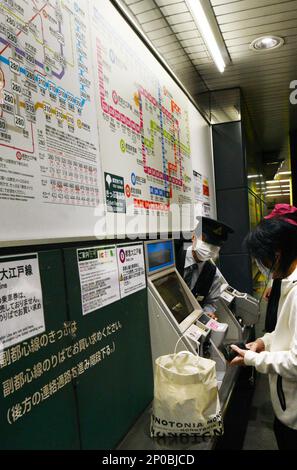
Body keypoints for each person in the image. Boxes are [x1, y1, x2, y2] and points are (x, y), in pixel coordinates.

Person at [230, 204, 297, 450]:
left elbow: (296, 362)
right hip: (287, 407)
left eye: (262, 258)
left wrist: (252, 359)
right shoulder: (289, 284)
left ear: (277, 254)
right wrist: (263, 343)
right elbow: (284, 333)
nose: (262, 265)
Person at [176, 216, 234, 320]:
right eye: (206, 242)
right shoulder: (173, 256)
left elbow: (210, 302)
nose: (209, 249)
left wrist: (208, 312)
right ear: (193, 236)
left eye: (215, 247)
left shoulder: (213, 273)